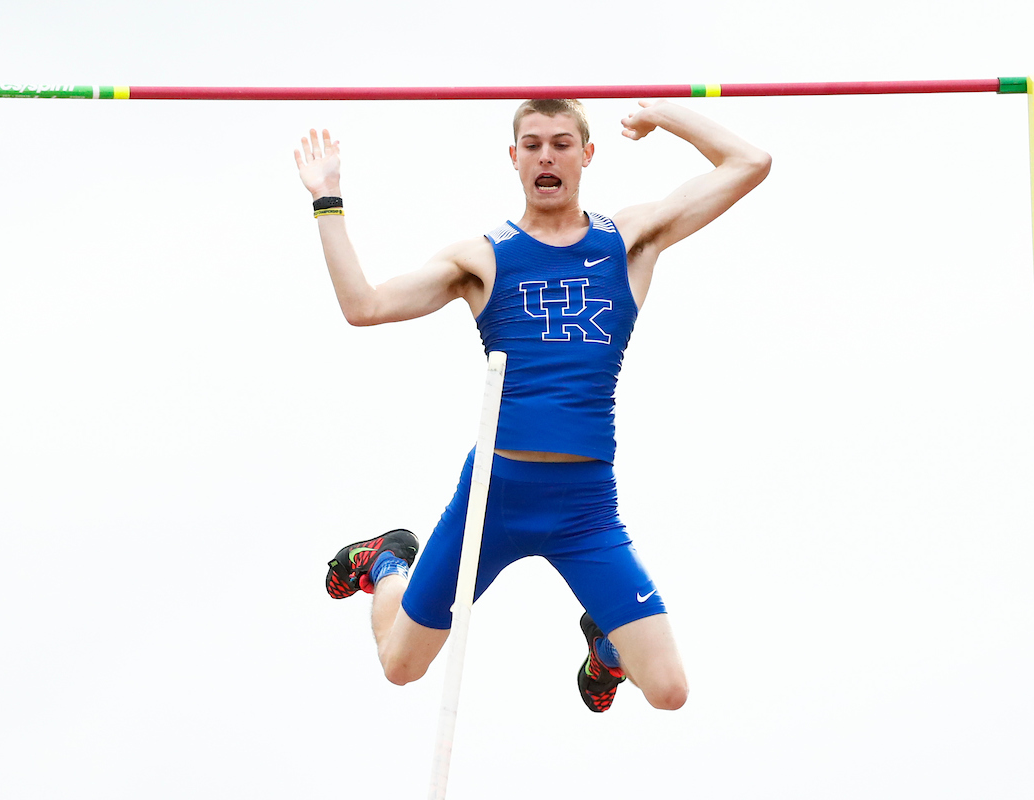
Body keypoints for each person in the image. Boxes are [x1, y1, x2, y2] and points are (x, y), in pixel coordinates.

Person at [294, 98, 770, 712]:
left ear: (586, 155)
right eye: (534, 143)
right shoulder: (483, 259)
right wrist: (326, 198)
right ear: (513, 158)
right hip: (495, 496)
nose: (547, 155)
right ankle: (387, 562)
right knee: (400, 666)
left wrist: (662, 113)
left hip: (585, 507)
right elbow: (365, 306)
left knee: (670, 691)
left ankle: (608, 646)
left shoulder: (627, 242)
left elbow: (750, 162)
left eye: (563, 143)